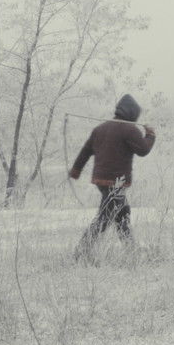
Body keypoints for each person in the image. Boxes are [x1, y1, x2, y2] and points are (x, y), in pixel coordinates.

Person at [70, 94, 156, 259]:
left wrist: (76, 170)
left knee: (122, 213)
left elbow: (85, 151)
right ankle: (80, 253)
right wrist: (150, 134)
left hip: (101, 180)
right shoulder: (129, 130)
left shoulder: (100, 129)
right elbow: (143, 150)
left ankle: (131, 250)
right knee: (105, 217)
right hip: (116, 182)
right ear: (132, 114)